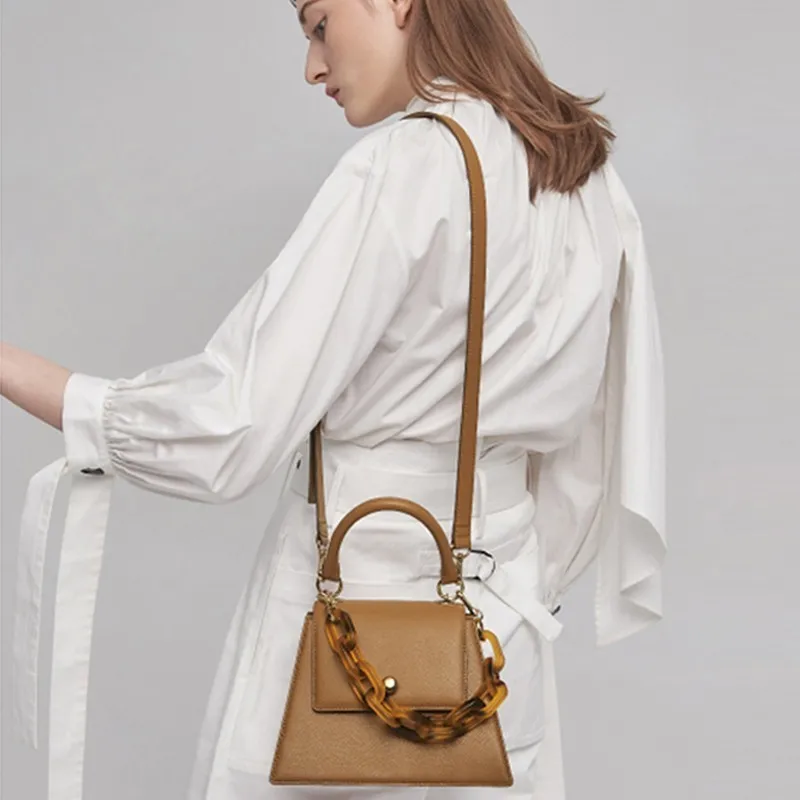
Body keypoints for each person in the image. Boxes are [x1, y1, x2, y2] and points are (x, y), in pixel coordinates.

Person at [2, 0, 666, 798]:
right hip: (500, 632)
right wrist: (516, 575)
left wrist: (46, 385)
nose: (313, 66)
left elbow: (231, 428)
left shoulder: (405, 166)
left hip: (353, 621)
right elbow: (587, 447)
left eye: (319, 24)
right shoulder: (582, 174)